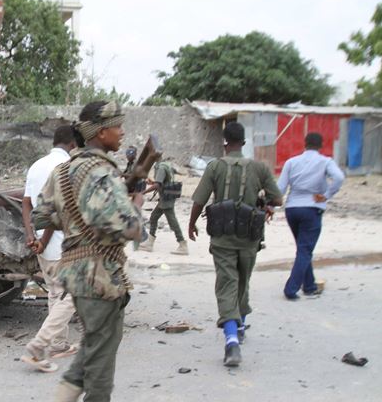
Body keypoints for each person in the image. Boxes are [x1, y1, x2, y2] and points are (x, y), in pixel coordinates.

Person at [33, 101, 143, 402]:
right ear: (100, 131)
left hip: (75, 274)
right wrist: (135, 198)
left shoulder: (64, 170)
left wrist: (74, 218)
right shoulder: (99, 170)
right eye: (117, 125)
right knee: (102, 360)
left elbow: (41, 213)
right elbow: (131, 227)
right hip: (101, 276)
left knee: (95, 345)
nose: (122, 131)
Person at [188, 122, 282, 367]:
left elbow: (199, 200)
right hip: (250, 237)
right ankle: (238, 324)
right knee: (242, 280)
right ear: (244, 142)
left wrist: (191, 224)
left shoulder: (215, 167)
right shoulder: (259, 168)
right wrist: (263, 203)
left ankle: (231, 341)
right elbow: (278, 198)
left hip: (222, 238)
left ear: (225, 141)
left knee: (227, 284)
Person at [20, 125, 78, 372]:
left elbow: (26, 204)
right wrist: (44, 240)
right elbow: (57, 211)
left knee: (56, 293)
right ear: (73, 144)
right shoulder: (66, 168)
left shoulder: (36, 166)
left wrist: (32, 236)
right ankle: (38, 346)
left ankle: (59, 344)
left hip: (42, 244)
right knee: (72, 295)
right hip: (59, 244)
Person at [277, 132, 345, 299]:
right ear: (321, 146)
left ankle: (309, 285)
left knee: (303, 248)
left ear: (304, 144)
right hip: (312, 208)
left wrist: (271, 206)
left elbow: (280, 189)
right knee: (305, 249)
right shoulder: (325, 161)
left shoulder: (291, 162)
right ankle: (291, 288)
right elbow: (339, 177)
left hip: (292, 208)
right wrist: (327, 195)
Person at [139, 157, 187, 254]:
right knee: (153, 217)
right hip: (167, 197)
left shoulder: (161, 168)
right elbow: (162, 182)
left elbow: (157, 186)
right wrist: (153, 182)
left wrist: (143, 192)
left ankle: (182, 244)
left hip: (166, 199)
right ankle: (150, 242)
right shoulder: (167, 165)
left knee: (172, 222)